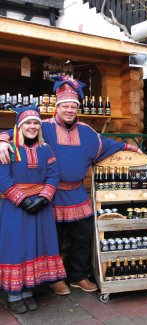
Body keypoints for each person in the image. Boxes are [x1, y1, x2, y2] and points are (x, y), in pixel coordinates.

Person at [0, 76, 142, 296]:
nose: (68, 110)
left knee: (82, 236)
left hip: (76, 192)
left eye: (73, 106)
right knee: (52, 238)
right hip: (50, 194)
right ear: (57, 107)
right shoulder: (41, 126)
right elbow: (14, 132)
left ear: (77, 108)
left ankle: (78, 276)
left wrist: (131, 148)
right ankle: (55, 279)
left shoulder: (87, 131)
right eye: (64, 106)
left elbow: (109, 144)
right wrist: (1, 141)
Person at [0, 104, 66, 314]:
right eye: (28, 122)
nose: (32, 127)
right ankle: (14, 294)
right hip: (14, 207)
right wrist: (21, 199)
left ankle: (28, 290)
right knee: (16, 247)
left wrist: (44, 198)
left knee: (37, 246)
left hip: (41, 207)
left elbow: (54, 174)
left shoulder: (46, 149)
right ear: (19, 126)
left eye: (36, 123)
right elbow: (2, 177)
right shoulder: (8, 148)